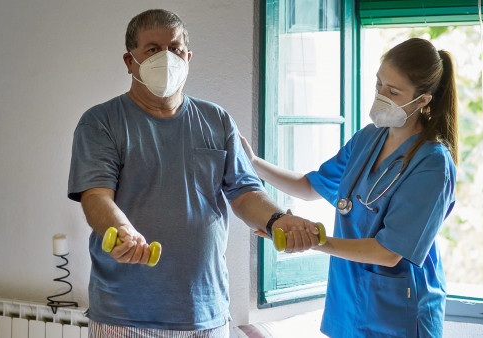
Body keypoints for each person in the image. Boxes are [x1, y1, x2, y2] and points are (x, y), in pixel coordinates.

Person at [67, 9, 321, 337]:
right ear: (131, 62)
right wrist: (121, 229)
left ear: (187, 58)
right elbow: (95, 195)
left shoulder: (217, 120)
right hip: (125, 315)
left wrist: (276, 220)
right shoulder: (101, 122)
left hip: (207, 311)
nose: (166, 58)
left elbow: (245, 192)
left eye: (174, 49)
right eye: (153, 49)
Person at [241, 38, 458, 337]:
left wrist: (311, 241)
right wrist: (252, 162)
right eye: (379, 84)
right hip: (348, 302)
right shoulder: (367, 138)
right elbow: (308, 186)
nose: (381, 95)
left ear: (422, 100)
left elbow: (388, 252)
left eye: (393, 92)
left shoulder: (433, 164)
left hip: (398, 313)